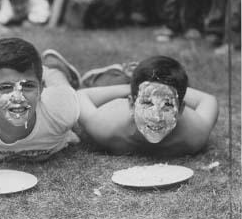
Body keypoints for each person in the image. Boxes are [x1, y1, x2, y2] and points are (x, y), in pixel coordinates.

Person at [0, 37, 81, 161]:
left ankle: (53, 66)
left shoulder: (61, 112)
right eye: (5, 87)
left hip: (53, 93)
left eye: (28, 86)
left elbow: (63, 91)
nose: (18, 98)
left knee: (57, 77)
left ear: (41, 90)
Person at [76, 56, 219, 156]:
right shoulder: (106, 127)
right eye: (147, 103)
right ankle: (123, 73)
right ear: (131, 105)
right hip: (119, 85)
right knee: (105, 82)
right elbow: (80, 96)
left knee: (162, 89)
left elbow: (209, 100)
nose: (156, 117)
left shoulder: (194, 136)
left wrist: (166, 91)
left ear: (181, 110)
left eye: (167, 105)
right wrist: (130, 87)